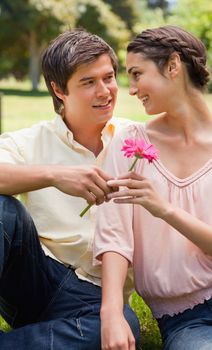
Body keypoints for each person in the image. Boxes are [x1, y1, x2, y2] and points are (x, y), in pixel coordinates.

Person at [93, 25, 212, 350]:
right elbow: (114, 236)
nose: (131, 89)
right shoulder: (129, 144)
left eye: (137, 73)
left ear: (172, 66)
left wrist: (166, 210)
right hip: (190, 319)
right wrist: (111, 312)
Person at [0, 29, 140, 349]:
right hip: (33, 277)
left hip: (95, 297)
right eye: (88, 82)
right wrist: (53, 175)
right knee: (2, 210)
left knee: (122, 323)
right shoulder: (29, 141)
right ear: (58, 89)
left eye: (109, 77)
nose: (104, 91)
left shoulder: (138, 141)